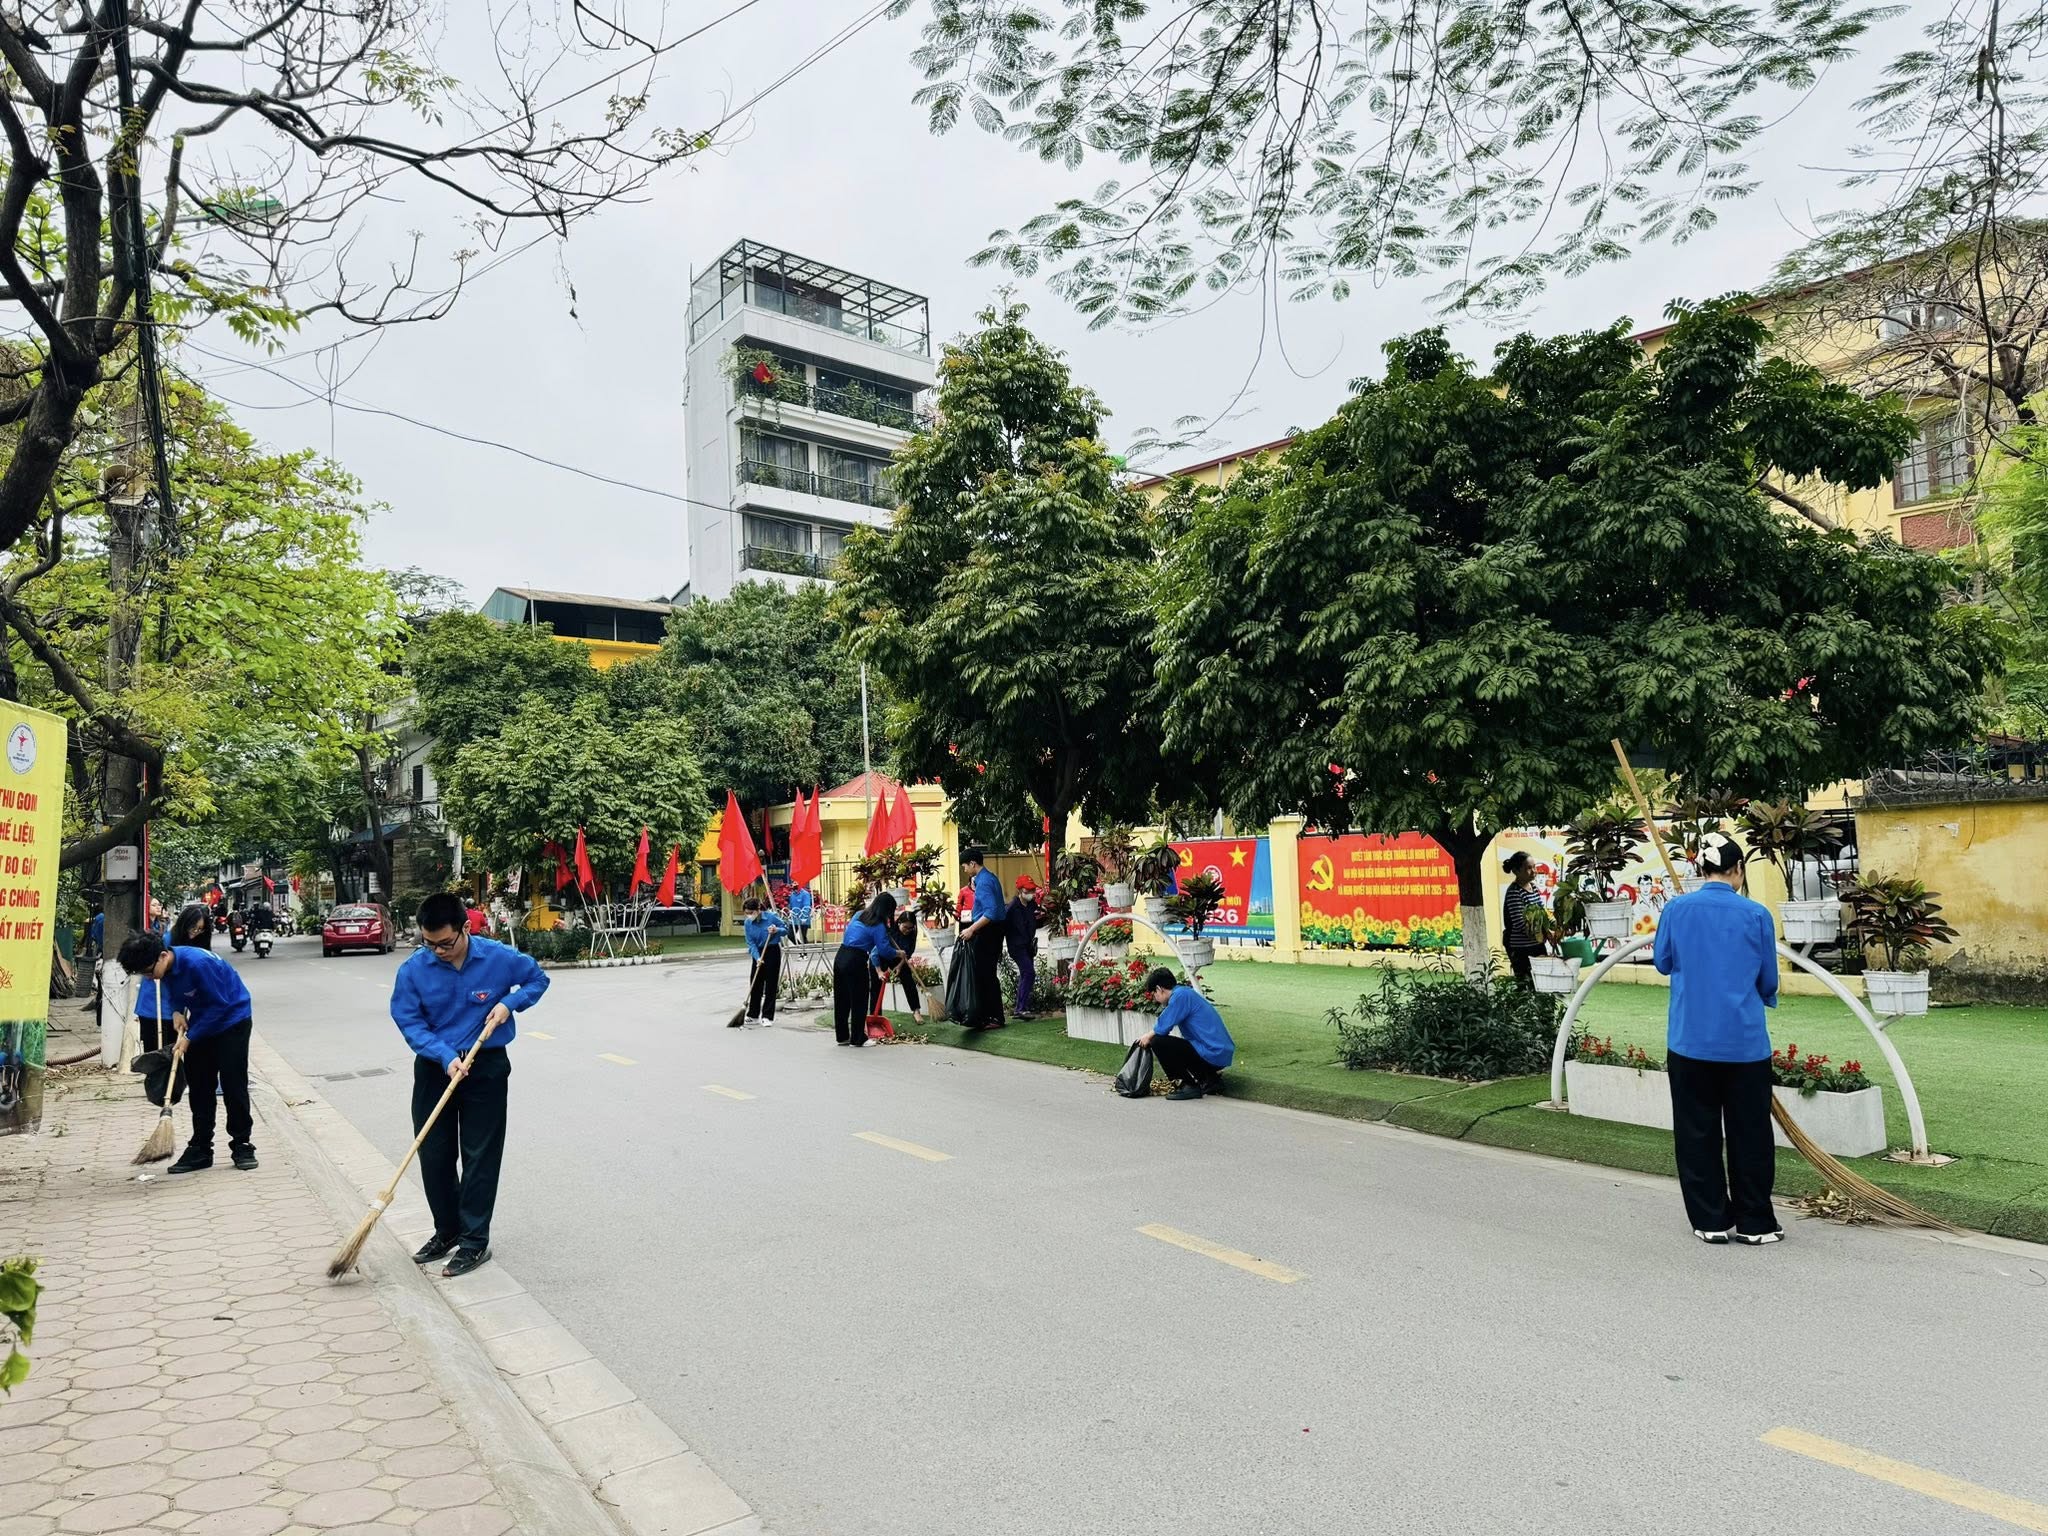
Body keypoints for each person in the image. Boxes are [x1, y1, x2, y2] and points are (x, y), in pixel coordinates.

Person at [391, 891, 551, 1278]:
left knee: (480, 1153)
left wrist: (509, 1005)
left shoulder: (497, 957)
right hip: (436, 1066)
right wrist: (445, 1057)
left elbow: (537, 978)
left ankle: (475, 1241)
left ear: (465, 928)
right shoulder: (414, 969)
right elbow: (409, 1021)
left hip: (486, 1066)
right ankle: (446, 1231)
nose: (438, 951)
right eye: (429, 944)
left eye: (445, 943)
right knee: (434, 1152)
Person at [1651, 831, 1784, 1246]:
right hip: (1744, 1045)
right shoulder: (1757, 914)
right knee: (1751, 1134)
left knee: (1696, 1133)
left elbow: (1662, 962)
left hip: (1690, 1042)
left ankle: (1710, 1219)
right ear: (1739, 870)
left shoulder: (1676, 909)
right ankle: (1755, 1223)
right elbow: (1768, 981)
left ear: (1701, 869)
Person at [117, 932, 257, 1173]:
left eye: (149, 972)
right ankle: (201, 1148)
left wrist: (190, 1037)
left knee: (233, 1084)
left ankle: (242, 1144)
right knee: (200, 1085)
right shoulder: (166, 967)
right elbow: (174, 991)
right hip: (203, 1022)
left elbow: (219, 1006)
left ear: (163, 956)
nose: (150, 978)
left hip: (232, 1020)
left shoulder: (199, 964)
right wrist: (176, 1012)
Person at [1135, 967, 1235, 1101]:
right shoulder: (1184, 993)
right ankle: (1210, 1081)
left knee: (1158, 1042)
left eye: (1154, 993)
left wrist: (1147, 1036)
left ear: (1159, 989)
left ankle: (1187, 1085)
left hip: (1212, 1053)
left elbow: (1162, 1027)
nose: (1155, 998)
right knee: (1180, 1045)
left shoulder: (1180, 996)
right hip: (1218, 1052)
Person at [833, 892, 900, 1047]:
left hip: (841, 955)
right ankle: (858, 1038)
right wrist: (898, 953)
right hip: (856, 959)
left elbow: (852, 933)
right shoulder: (878, 925)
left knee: (842, 998)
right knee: (859, 999)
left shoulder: (859, 914)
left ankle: (842, 1036)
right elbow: (884, 950)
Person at [958, 848, 1006, 1031]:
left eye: (964, 866)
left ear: (972, 864)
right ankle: (990, 1014)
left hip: (988, 931)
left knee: (985, 975)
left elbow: (991, 912)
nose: (964, 870)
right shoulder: (990, 877)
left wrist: (971, 929)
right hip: (994, 930)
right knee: (987, 974)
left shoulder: (984, 882)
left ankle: (993, 1016)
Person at [739, 896, 788, 1026]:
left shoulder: (771, 917)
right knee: (755, 983)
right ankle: (753, 1014)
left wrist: (776, 930)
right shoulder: (748, 923)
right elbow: (750, 943)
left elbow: (785, 929)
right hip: (758, 952)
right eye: (747, 913)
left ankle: (767, 1016)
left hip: (772, 950)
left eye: (751, 912)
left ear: (758, 909)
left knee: (770, 984)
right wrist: (757, 958)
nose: (749, 915)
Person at [1501, 851, 1545, 987]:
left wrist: (1551, 929)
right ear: (1516, 871)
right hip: (1521, 949)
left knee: (1542, 984)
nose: (1534, 871)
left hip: (1536, 945)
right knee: (1525, 986)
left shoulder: (1534, 888)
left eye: (1534, 867)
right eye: (1529, 868)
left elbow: (1542, 913)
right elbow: (1520, 924)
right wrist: (1542, 932)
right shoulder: (1514, 892)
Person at [1005, 878, 1042, 1019]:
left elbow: (1034, 921)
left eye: (1033, 890)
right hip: (1017, 946)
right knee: (1028, 973)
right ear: (1020, 891)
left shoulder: (1032, 904)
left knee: (1027, 975)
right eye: (1028, 890)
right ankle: (1020, 1008)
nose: (1032, 893)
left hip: (1028, 945)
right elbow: (1003, 927)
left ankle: (1023, 1007)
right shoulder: (1012, 908)